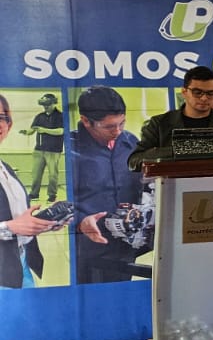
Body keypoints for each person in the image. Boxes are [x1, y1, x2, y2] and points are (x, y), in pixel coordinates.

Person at [71, 87, 147, 285]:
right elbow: (55, 201)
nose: (118, 131)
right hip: (90, 247)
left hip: (126, 243)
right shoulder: (69, 148)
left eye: (122, 123)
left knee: (121, 290)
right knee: (93, 296)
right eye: (109, 127)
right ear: (86, 121)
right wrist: (80, 221)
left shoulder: (130, 142)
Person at [1, 94, 69, 289]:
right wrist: (10, 227)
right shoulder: (39, 117)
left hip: (19, 264)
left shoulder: (5, 168)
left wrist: (41, 223)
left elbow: (14, 216)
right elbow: (11, 225)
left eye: (2, 117)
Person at [128, 66, 213, 170]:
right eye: (197, 92)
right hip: (172, 185)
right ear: (184, 92)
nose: (204, 98)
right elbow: (134, 161)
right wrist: (178, 151)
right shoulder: (159, 123)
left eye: (210, 93)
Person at [21, 93, 64, 203]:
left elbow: (61, 131)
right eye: (44, 105)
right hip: (39, 150)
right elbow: (33, 129)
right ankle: (34, 194)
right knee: (36, 174)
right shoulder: (39, 116)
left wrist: (44, 130)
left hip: (53, 150)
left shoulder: (60, 116)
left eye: (48, 105)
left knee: (53, 175)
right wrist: (26, 132)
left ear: (54, 103)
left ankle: (52, 195)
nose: (45, 107)